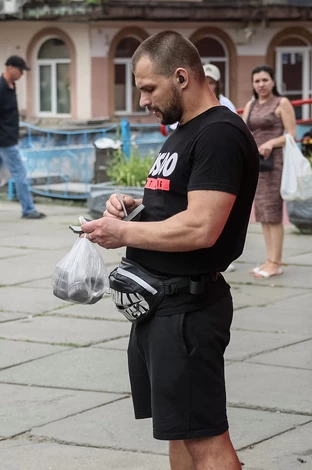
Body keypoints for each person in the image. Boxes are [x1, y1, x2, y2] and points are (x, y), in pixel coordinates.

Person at [81, 31, 258, 470]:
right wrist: (136, 210)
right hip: (162, 306)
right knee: (179, 430)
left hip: (187, 312)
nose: (142, 100)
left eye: (148, 88)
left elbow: (201, 227)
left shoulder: (218, 133)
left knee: (206, 441)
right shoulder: (185, 132)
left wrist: (122, 233)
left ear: (181, 77)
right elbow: (179, 206)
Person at [0, 56, 45, 219]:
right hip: (4, 141)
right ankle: (28, 209)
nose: (22, 74)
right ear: (10, 67)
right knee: (20, 174)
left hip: (7, 138)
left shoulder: (11, 86)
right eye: (20, 70)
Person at [242, 65, 297, 279]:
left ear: (273, 82)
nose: (261, 84)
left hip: (274, 163)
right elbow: (245, 132)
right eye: (257, 81)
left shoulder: (281, 103)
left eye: (265, 80)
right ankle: (269, 259)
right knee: (263, 213)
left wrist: (271, 142)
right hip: (256, 164)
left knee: (273, 213)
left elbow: (291, 134)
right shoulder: (251, 105)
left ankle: (276, 262)